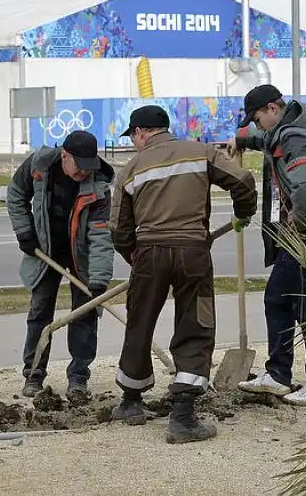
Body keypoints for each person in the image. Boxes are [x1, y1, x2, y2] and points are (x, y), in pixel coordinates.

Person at [109, 105, 258, 444]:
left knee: (139, 323)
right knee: (195, 324)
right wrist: (243, 212)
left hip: (149, 253)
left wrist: (134, 256)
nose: (134, 142)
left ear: (142, 132)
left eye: (133, 135)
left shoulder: (130, 169)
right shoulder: (201, 152)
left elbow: (119, 228)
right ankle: (182, 416)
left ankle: (131, 402)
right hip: (193, 251)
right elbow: (243, 180)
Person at [226, 83, 306, 406]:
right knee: (282, 300)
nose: (257, 125)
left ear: (272, 109)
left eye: (257, 117)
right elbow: (265, 139)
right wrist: (242, 139)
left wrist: (300, 218)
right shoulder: (286, 129)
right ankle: (280, 375)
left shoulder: (294, 137)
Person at [6, 130, 115, 402]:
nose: (83, 173)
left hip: (82, 255)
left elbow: (101, 237)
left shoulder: (99, 185)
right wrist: (25, 233)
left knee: (85, 312)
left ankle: (78, 376)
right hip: (46, 251)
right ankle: (34, 373)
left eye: (88, 166)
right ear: (65, 155)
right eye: (78, 166)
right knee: (40, 311)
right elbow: (16, 194)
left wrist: (99, 281)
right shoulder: (38, 165)